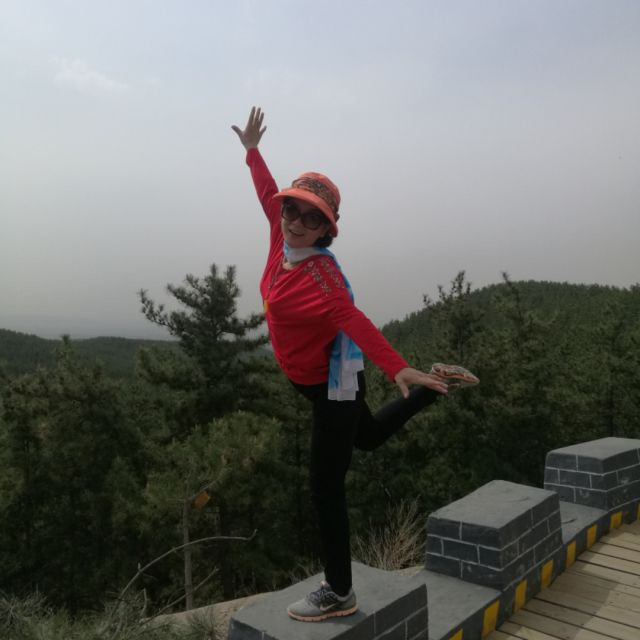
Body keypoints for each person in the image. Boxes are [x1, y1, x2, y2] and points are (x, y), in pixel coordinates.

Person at [232, 107, 478, 622]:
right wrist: (253, 152)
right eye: (292, 210)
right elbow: (266, 192)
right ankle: (433, 387)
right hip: (313, 379)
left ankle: (340, 591)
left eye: (312, 217)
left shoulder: (323, 278)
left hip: (333, 383)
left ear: (328, 228)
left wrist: (397, 367)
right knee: (365, 437)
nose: (296, 222)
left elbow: (353, 319)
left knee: (325, 488)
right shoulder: (280, 239)